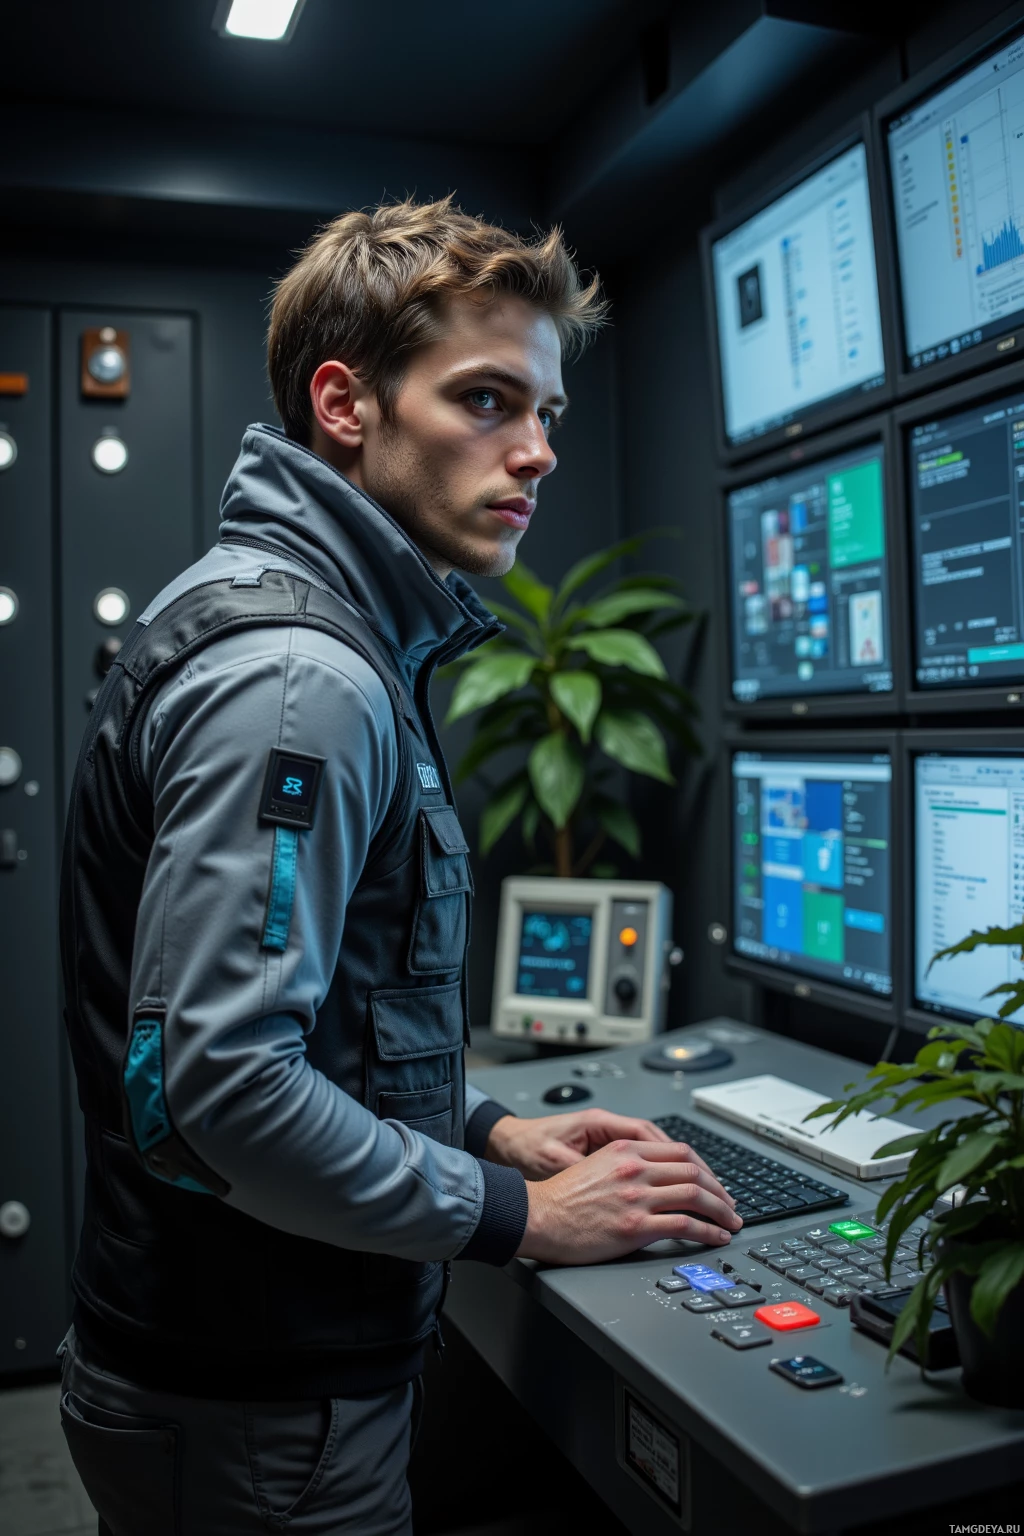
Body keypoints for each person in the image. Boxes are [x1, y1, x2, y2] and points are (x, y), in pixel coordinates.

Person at [58, 197, 741, 1534]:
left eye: (545, 412)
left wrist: (489, 1127)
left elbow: (317, 1030)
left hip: (235, 1385)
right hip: (261, 1413)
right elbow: (224, 1094)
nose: (536, 453)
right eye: (487, 399)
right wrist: (520, 1215)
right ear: (346, 405)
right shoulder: (305, 678)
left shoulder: (284, 621)